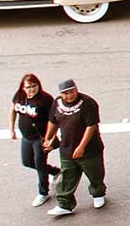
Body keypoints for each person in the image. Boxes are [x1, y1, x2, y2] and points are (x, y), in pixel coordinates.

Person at [44, 78, 105, 218]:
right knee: (67, 175)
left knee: (95, 173)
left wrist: (82, 146)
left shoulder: (88, 103)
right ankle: (65, 204)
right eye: (65, 93)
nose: (69, 96)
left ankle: (98, 193)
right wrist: (48, 138)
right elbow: (53, 121)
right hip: (67, 147)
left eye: (71, 92)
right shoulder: (57, 103)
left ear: (76, 89)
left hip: (89, 149)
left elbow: (91, 126)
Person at [10, 74, 56, 207]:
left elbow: (53, 119)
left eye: (34, 86)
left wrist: (50, 137)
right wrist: (11, 129)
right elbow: (12, 110)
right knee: (27, 162)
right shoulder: (19, 96)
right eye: (28, 87)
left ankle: (43, 192)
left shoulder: (45, 99)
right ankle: (54, 171)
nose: (31, 90)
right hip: (26, 136)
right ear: (23, 88)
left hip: (40, 137)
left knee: (40, 163)